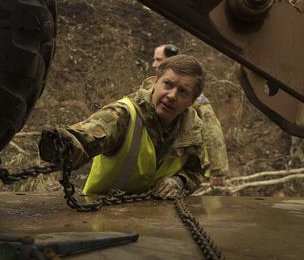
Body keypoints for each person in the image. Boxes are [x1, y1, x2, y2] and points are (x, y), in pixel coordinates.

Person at [39, 54, 205, 199]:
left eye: (183, 91)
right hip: (100, 216)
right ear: (156, 82)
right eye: (168, 84)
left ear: (192, 101)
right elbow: (89, 135)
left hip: (155, 220)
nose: (172, 96)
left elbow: (195, 171)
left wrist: (179, 181)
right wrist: (65, 145)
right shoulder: (124, 114)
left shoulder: (191, 130)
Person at [149, 44, 229, 187]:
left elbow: (212, 131)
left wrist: (218, 170)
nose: (154, 64)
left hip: (179, 166)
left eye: (158, 59)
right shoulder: (151, 89)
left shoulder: (195, 99)